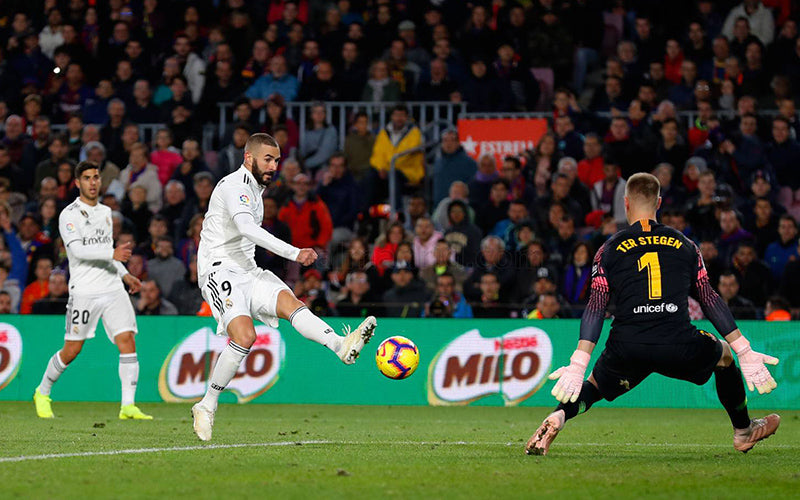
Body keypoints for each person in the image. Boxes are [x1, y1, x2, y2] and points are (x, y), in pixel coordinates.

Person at [525, 172, 780, 456]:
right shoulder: (685, 244)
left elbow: (596, 306)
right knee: (723, 355)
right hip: (676, 341)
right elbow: (708, 298)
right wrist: (743, 349)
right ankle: (743, 431)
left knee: (594, 387)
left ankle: (558, 416)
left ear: (626, 203)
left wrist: (578, 362)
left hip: (627, 345)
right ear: (658, 202)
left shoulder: (608, 249)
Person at [191, 133, 377, 441]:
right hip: (218, 270)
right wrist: (295, 252)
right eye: (268, 159)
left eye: (277, 160)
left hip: (248, 271)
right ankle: (207, 404)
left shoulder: (256, 189)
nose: (274, 166)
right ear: (248, 158)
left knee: (291, 303)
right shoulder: (235, 186)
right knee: (246, 335)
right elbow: (247, 229)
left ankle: (340, 346)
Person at [33, 161, 151, 420]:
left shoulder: (106, 213)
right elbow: (77, 251)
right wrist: (113, 253)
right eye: (87, 178)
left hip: (112, 287)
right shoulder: (69, 215)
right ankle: (42, 392)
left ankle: (127, 406)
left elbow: (109, 252)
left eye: (96, 177)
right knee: (72, 350)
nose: (93, 182)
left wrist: (125, 273)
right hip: (84, 291)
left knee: (127, 340)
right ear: (77, 183)